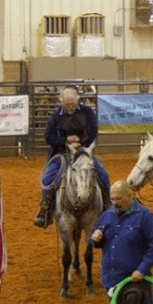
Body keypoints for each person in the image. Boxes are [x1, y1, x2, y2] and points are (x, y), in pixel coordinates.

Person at [33, 87, 111, 228]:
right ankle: (45, 209)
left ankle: (107, 204)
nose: (70, 106)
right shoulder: (55, 117)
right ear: (61, 101)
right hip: (62, 153)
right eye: (67, 104)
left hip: (84, 150)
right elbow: (48, 137)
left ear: (77, 100)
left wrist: (80, 142)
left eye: (72, 103)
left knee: (103, 174)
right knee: (48, 177)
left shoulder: (87, 112)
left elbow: (93, 132)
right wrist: (65, 141)